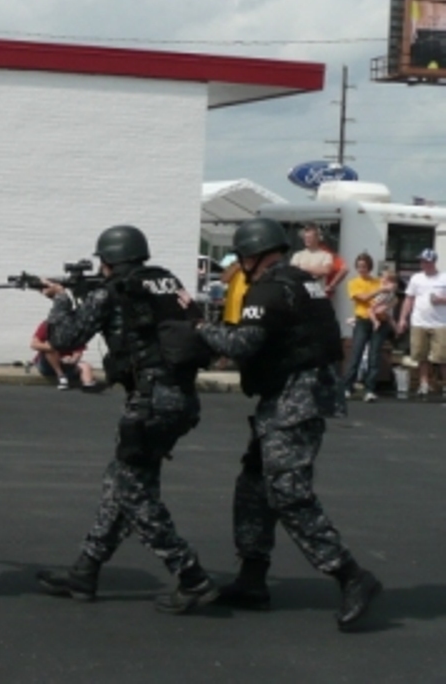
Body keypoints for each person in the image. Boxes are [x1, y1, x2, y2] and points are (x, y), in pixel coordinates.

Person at [196, 218, 382, 630]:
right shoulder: (302, 282)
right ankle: (252, 578)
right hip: (295, 393)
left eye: (242, 257)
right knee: (253, 484)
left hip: (294, 399)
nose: (240, 265)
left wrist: (198, 327)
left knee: (288, 492)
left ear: (253, 256)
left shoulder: (269, 289)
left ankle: (351, 575)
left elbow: (241, 344)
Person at [35, 225, 217, 615]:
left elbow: (64, 338)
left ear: (109, 260)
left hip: (150, 402)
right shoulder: (165, 282)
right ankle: (85, 571)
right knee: (121, 484)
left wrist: (62, 300)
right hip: (179, 396)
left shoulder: (111, 292)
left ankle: (191, 576)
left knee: (133, 494)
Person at [395, 248, 446, 399]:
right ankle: (424, 384)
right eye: (421, 261)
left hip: (440, 323)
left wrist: (441, 300)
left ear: (433, 262)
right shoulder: (416, 278)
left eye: (425, 261)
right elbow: (408, 299)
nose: (422, 264)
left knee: (442, 357)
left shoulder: (443, 278)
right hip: (419, 322)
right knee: (421, 355)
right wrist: (402, 319)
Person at [342, 253, 390, 402]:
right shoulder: (353, 283)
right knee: (356, 353)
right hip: (362, 320)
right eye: (359, 266)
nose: (361, 269)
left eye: (364, 266)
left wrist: (384, 292)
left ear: (369, 267)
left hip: (379, 321)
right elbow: (362, 297)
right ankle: (347, 387)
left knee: (374, 356)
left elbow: (388, 297)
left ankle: (370, 389)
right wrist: (379, 290)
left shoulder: (378, 281)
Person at [29, 320, 98, 392]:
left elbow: (78, 352)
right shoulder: (47, 325)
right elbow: (34, 344)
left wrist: (72, 359)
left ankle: (88, 385)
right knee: (50, 349)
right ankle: (61, 376)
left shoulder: (77, 332)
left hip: (66, 364)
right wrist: (52, 347)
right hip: (47, 364)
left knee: (85, 366)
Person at [289, 224, 335, 290]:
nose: (307, 240)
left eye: (310, 237)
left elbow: (326, 270)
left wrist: (303, 267)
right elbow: (293, 272)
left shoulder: (326, 255)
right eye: (305, 237)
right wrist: (315, 272)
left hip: (317, 292)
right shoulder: (297, 255)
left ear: (317, 238)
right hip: (300, 291)